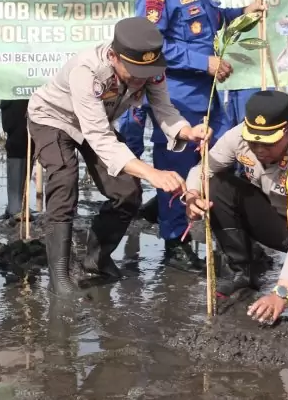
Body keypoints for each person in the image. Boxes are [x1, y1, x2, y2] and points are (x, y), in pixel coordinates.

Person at [26, 17, 210, 296]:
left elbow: (164, 109)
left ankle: (96, 258)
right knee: (64, 181)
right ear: (113, 56)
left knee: (127, 191)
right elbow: (99, 137)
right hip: (53, 118)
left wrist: (187, 131)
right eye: (134, 71)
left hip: (95, 124)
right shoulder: (87, 71)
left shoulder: (152, 70)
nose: (140, 78)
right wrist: (152, 173)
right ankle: (59, 276)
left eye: (145, 71)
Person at [135, 0, 266, 272]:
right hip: (175, 98)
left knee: (221, 163)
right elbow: (149, 46)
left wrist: (244, 13)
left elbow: (212, 18)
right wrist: (202, 61)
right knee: (176, 168)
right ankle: (175, 245)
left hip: (210, 95)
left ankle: (226, 236)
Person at [183, 90, 288, 323]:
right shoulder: (238, 137)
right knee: (216, 186)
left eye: (268, 143)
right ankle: (242, 272)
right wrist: (193, 194)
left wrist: (281, 293)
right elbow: (204, 169)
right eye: (253, 141)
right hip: (279, 214)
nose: (259, 149)